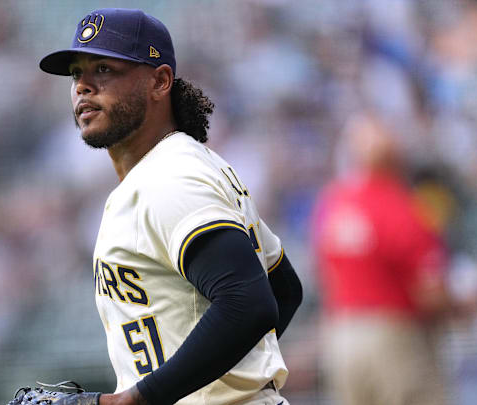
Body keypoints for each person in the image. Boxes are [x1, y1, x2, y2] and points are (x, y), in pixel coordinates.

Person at [37, 8, 302, 405]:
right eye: (77, 73)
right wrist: (225, 370)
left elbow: (250, 302)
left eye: (104, 70)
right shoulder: (175, 168)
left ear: (159, 82)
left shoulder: (172, 177)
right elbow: (284, 288)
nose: (83, 87)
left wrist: (131, 400)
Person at [312, 113, 453, 405]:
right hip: (393, 335)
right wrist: (463, 305)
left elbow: (325, 273)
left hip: (341, 336)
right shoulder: (401, 207)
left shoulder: (333, 202)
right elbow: (431, 293)